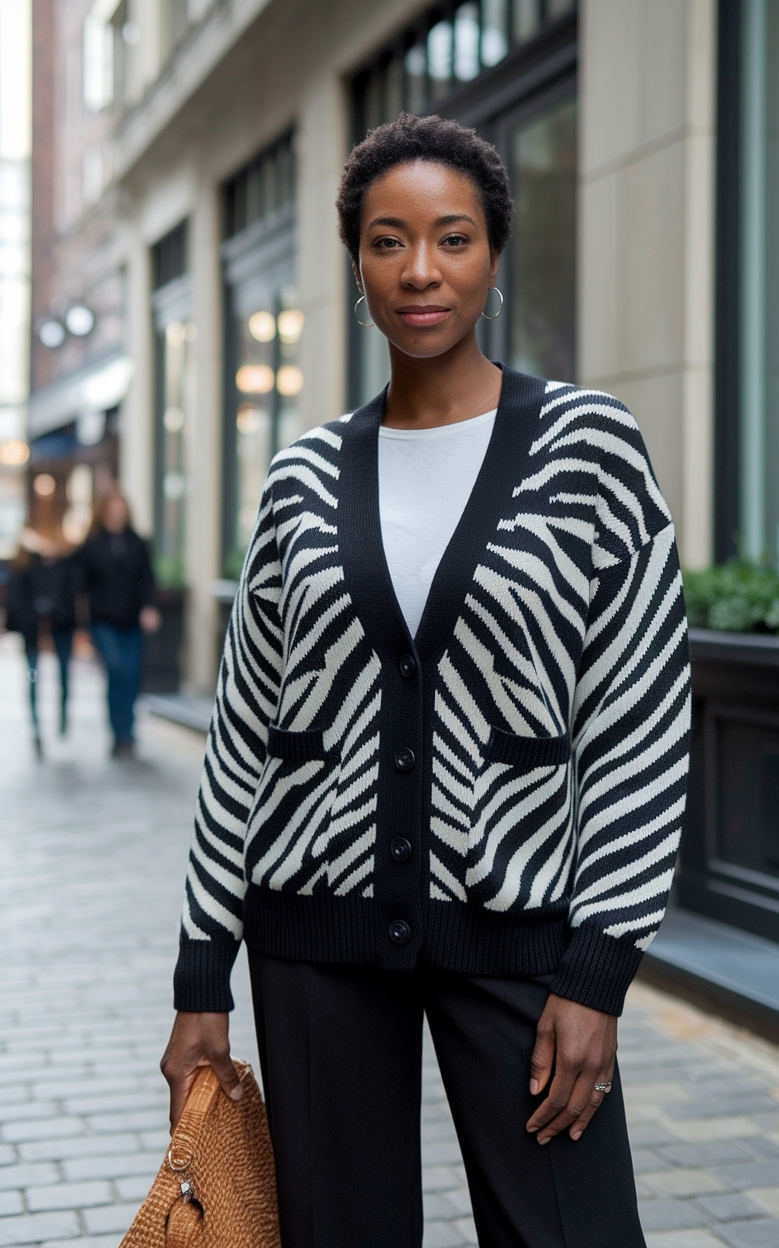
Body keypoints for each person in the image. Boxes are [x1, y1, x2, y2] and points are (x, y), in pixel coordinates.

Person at [162, 114, 691, 1248]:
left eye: (452, 238)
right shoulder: (301, 477)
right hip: (312, 940)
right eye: (387, 241)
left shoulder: (591, 451)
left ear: (493, 253)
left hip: (522, 933)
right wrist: (201, 975)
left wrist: (598, 972)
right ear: (356, 264)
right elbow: (243, 735)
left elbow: (641, 726)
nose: (419, 271)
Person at [75, 491, 161, 758]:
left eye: (120, 508)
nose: (116, 513)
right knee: (116, 670)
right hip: (103, 620)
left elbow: (148, 579)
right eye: (111, 509)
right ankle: (117, 731)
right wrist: (80, 623)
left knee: (132, 675)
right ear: (103, 512)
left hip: (131, 620)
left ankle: (128, 731)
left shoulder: (138, 543)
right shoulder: (91, 546)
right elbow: (79, 584)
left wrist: (150, 607)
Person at [6, 537, 78, 755]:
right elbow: (16, 600)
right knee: (33, 677)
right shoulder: (25, 566)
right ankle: (36, 729)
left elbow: (73, 596)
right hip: (32, 632)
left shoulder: (68, 567)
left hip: (62, 628)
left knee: (64, 674)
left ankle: (62, 719)